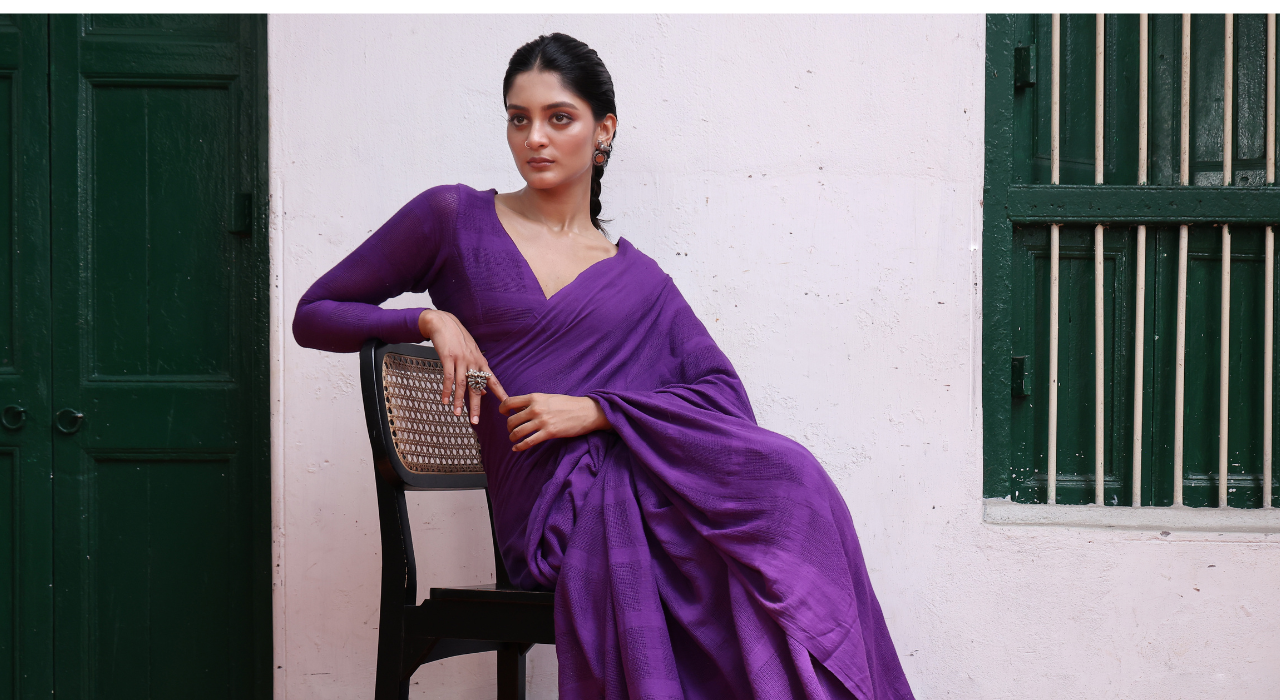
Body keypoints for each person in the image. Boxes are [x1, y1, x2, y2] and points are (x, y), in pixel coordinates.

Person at [293, 32, 915, 700]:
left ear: (603, 131)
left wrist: (598, 411)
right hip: (549, 515)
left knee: (787, 482)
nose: (535, 137)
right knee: (712, 546)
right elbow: (314, 313)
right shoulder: (454, 218)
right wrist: (426, 319)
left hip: (621, 484)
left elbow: (722, 397)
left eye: (559, 118)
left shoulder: (639, 281)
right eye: (519, 118)